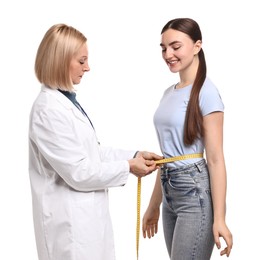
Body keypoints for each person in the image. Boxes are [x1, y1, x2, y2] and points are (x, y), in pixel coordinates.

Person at [28, 23, 162, 260]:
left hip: (87, 222)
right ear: (60, 60)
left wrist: (134, 155)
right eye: (81, 61)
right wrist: (129, 167)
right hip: (69, 228)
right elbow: (79, 172)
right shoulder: (48, 110)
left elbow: (92, 153)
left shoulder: (66, 102)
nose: (87, 68)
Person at [142, 18, 233, 259]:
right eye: (163, 48)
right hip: (169, 193)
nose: (168, 54)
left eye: (175, 46)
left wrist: (220, 218)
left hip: (195, 194)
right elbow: (168, 157)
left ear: (197, 46)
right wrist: (154, 206)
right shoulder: (168, 93)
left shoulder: (207, 93)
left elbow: (214, 159)